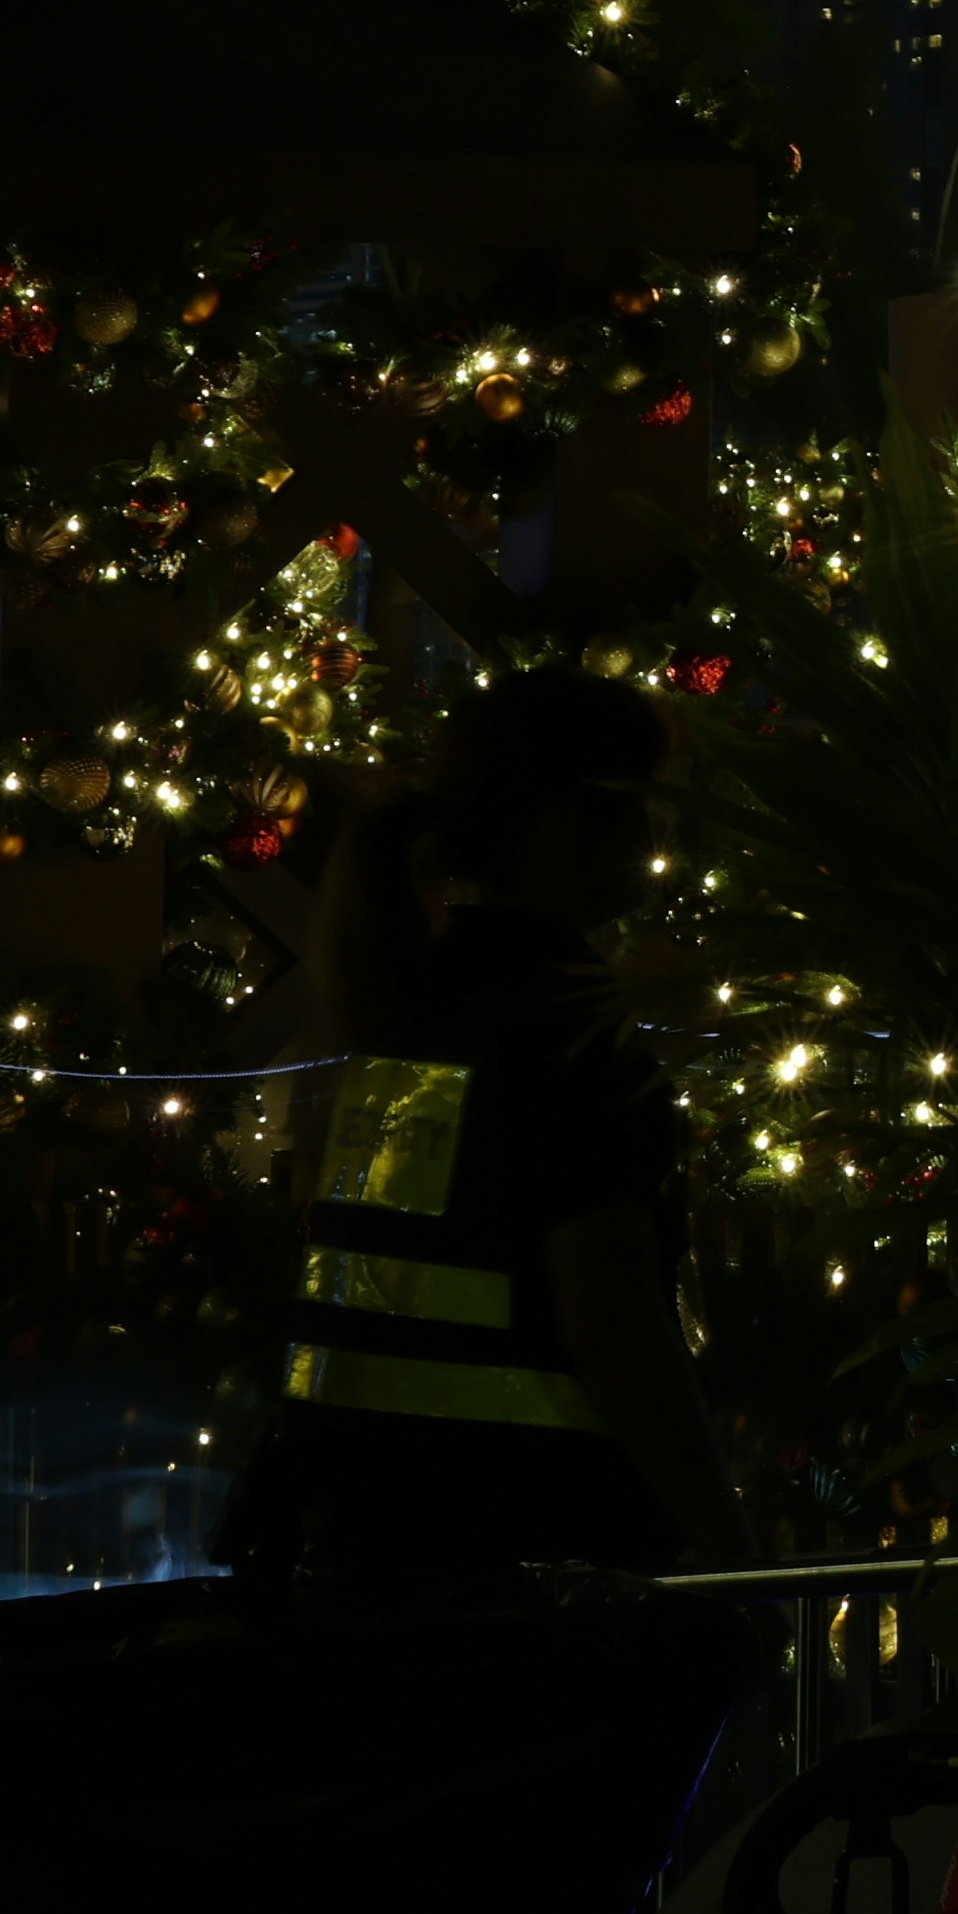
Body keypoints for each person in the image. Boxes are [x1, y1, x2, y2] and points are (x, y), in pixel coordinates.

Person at [237, 669, 750, 1582]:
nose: (658, 834)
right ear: (563, 823)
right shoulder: (568, 1038)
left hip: (369, 1532)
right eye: (641, 805)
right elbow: (616, 1330)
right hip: (536, 1551)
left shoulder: (417, 1007)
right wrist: (728, 1551)